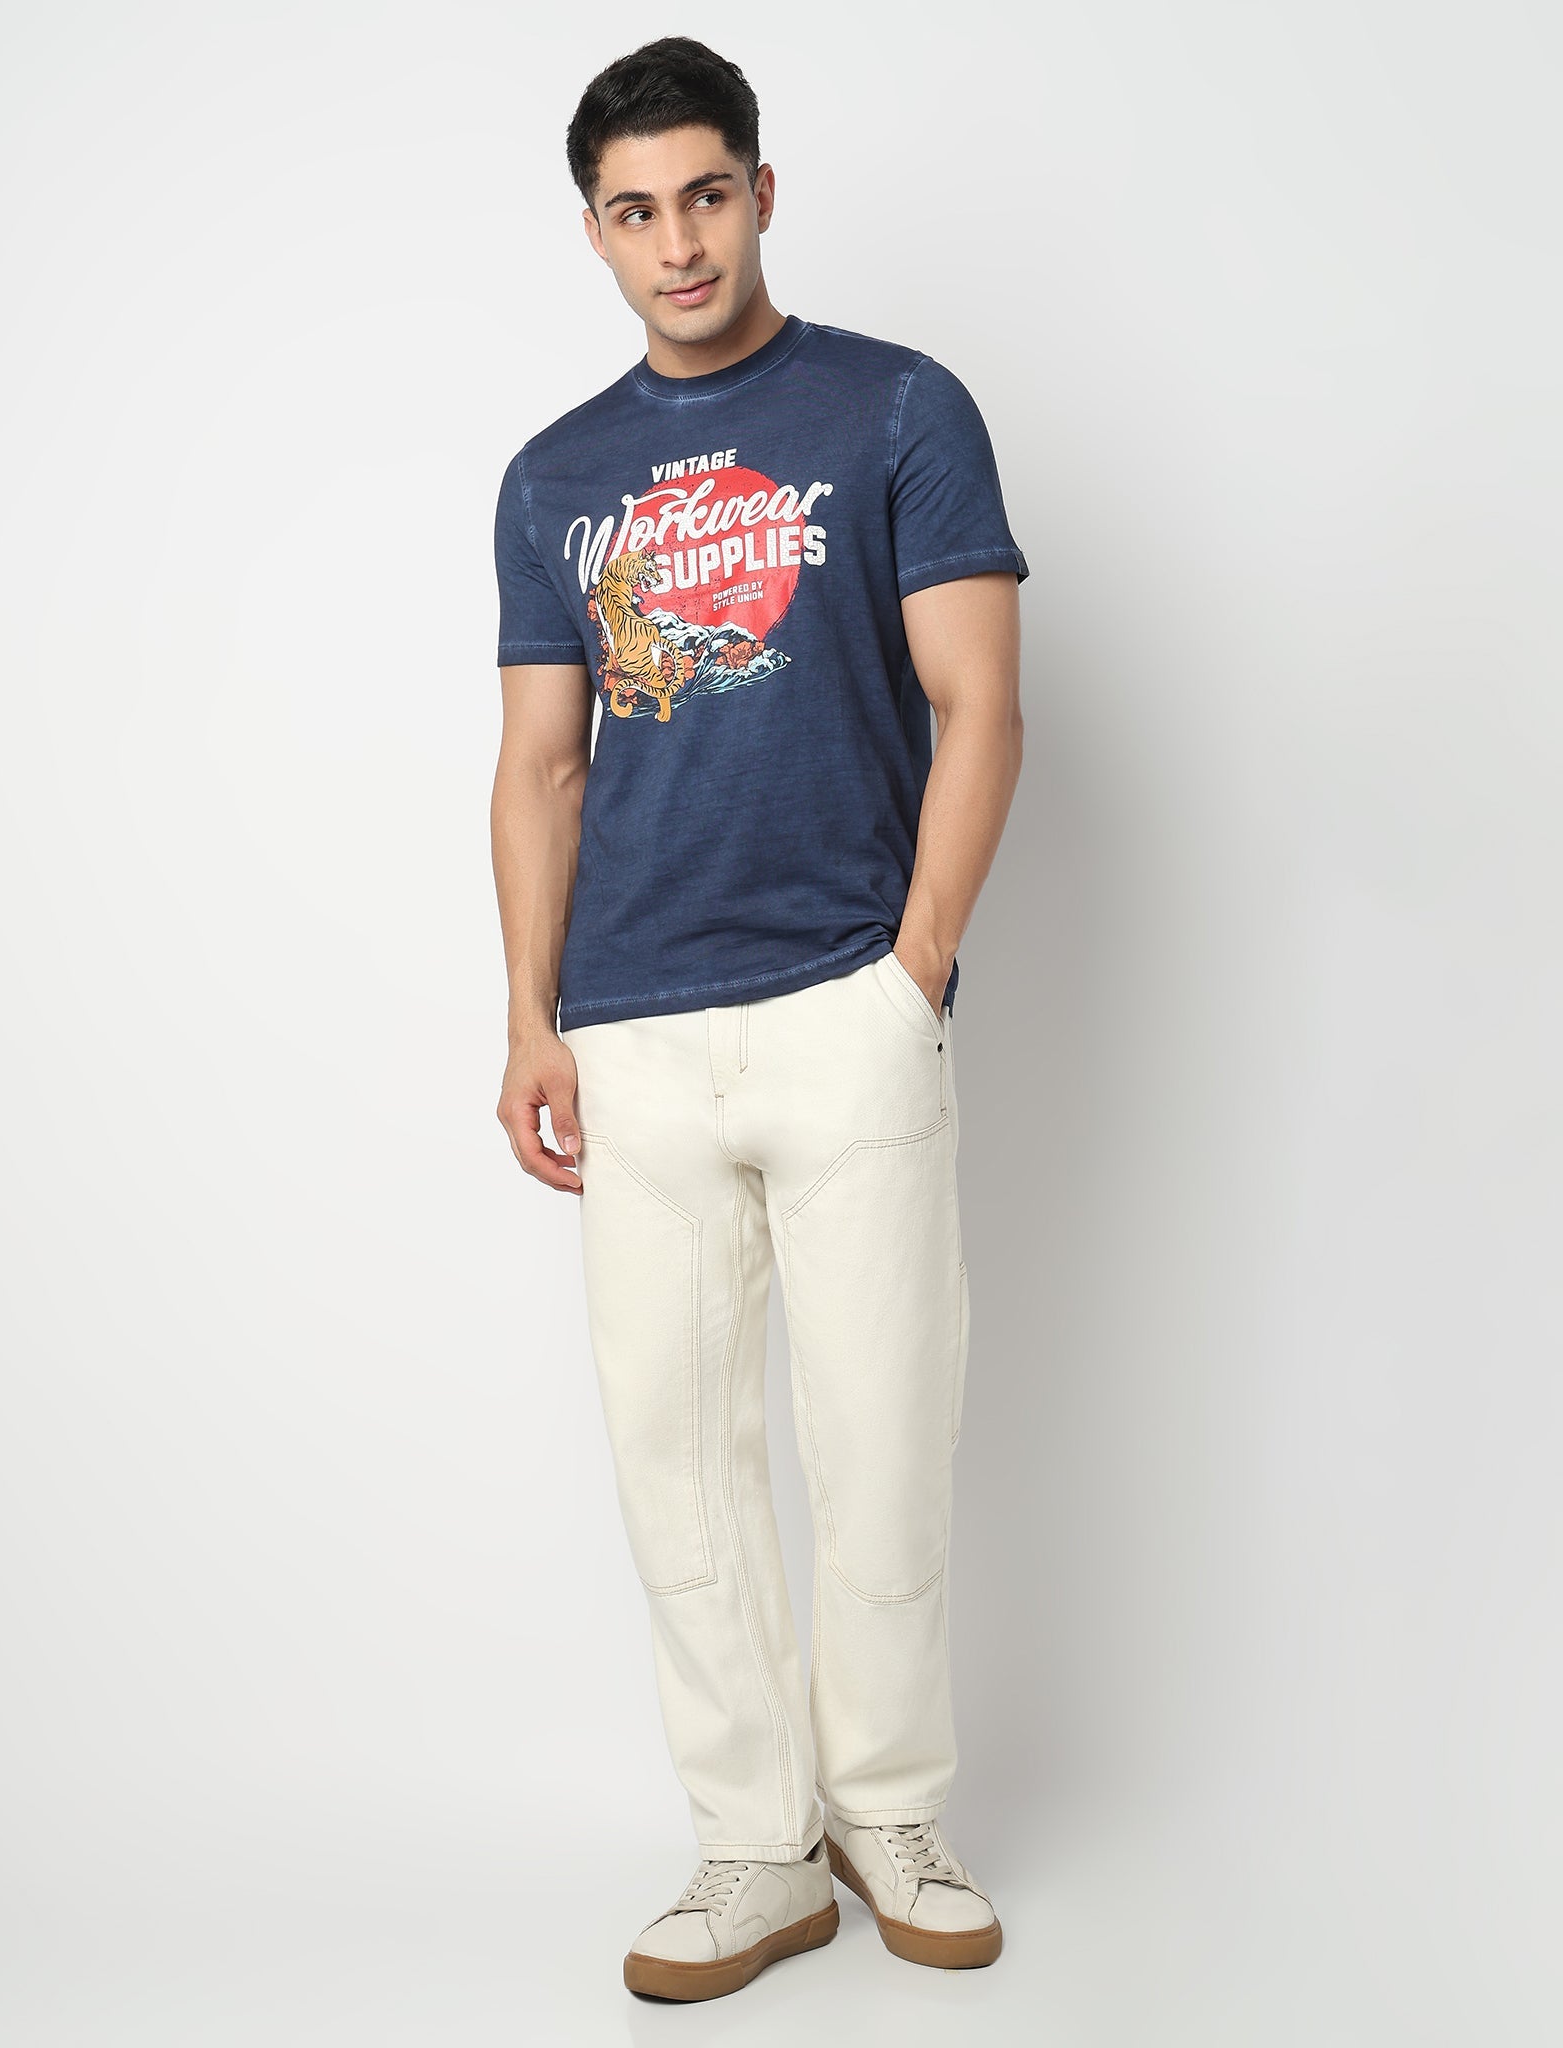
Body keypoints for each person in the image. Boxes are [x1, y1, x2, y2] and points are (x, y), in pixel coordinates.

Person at [489, 36, 1029, 2004]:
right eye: (635, 211)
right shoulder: (552, 478)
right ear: (595, 234)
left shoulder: (894, 408)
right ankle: (753, 1846)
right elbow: (539, 766)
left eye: (704, 194)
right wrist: (531, 1019)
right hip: (633, 1028)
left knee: (880, 1437)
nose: (678, 241)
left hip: (841, 1004)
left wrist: (914, 967)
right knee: (680, 1466)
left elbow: (981, 699)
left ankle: (888, 1809)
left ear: (761, 193)